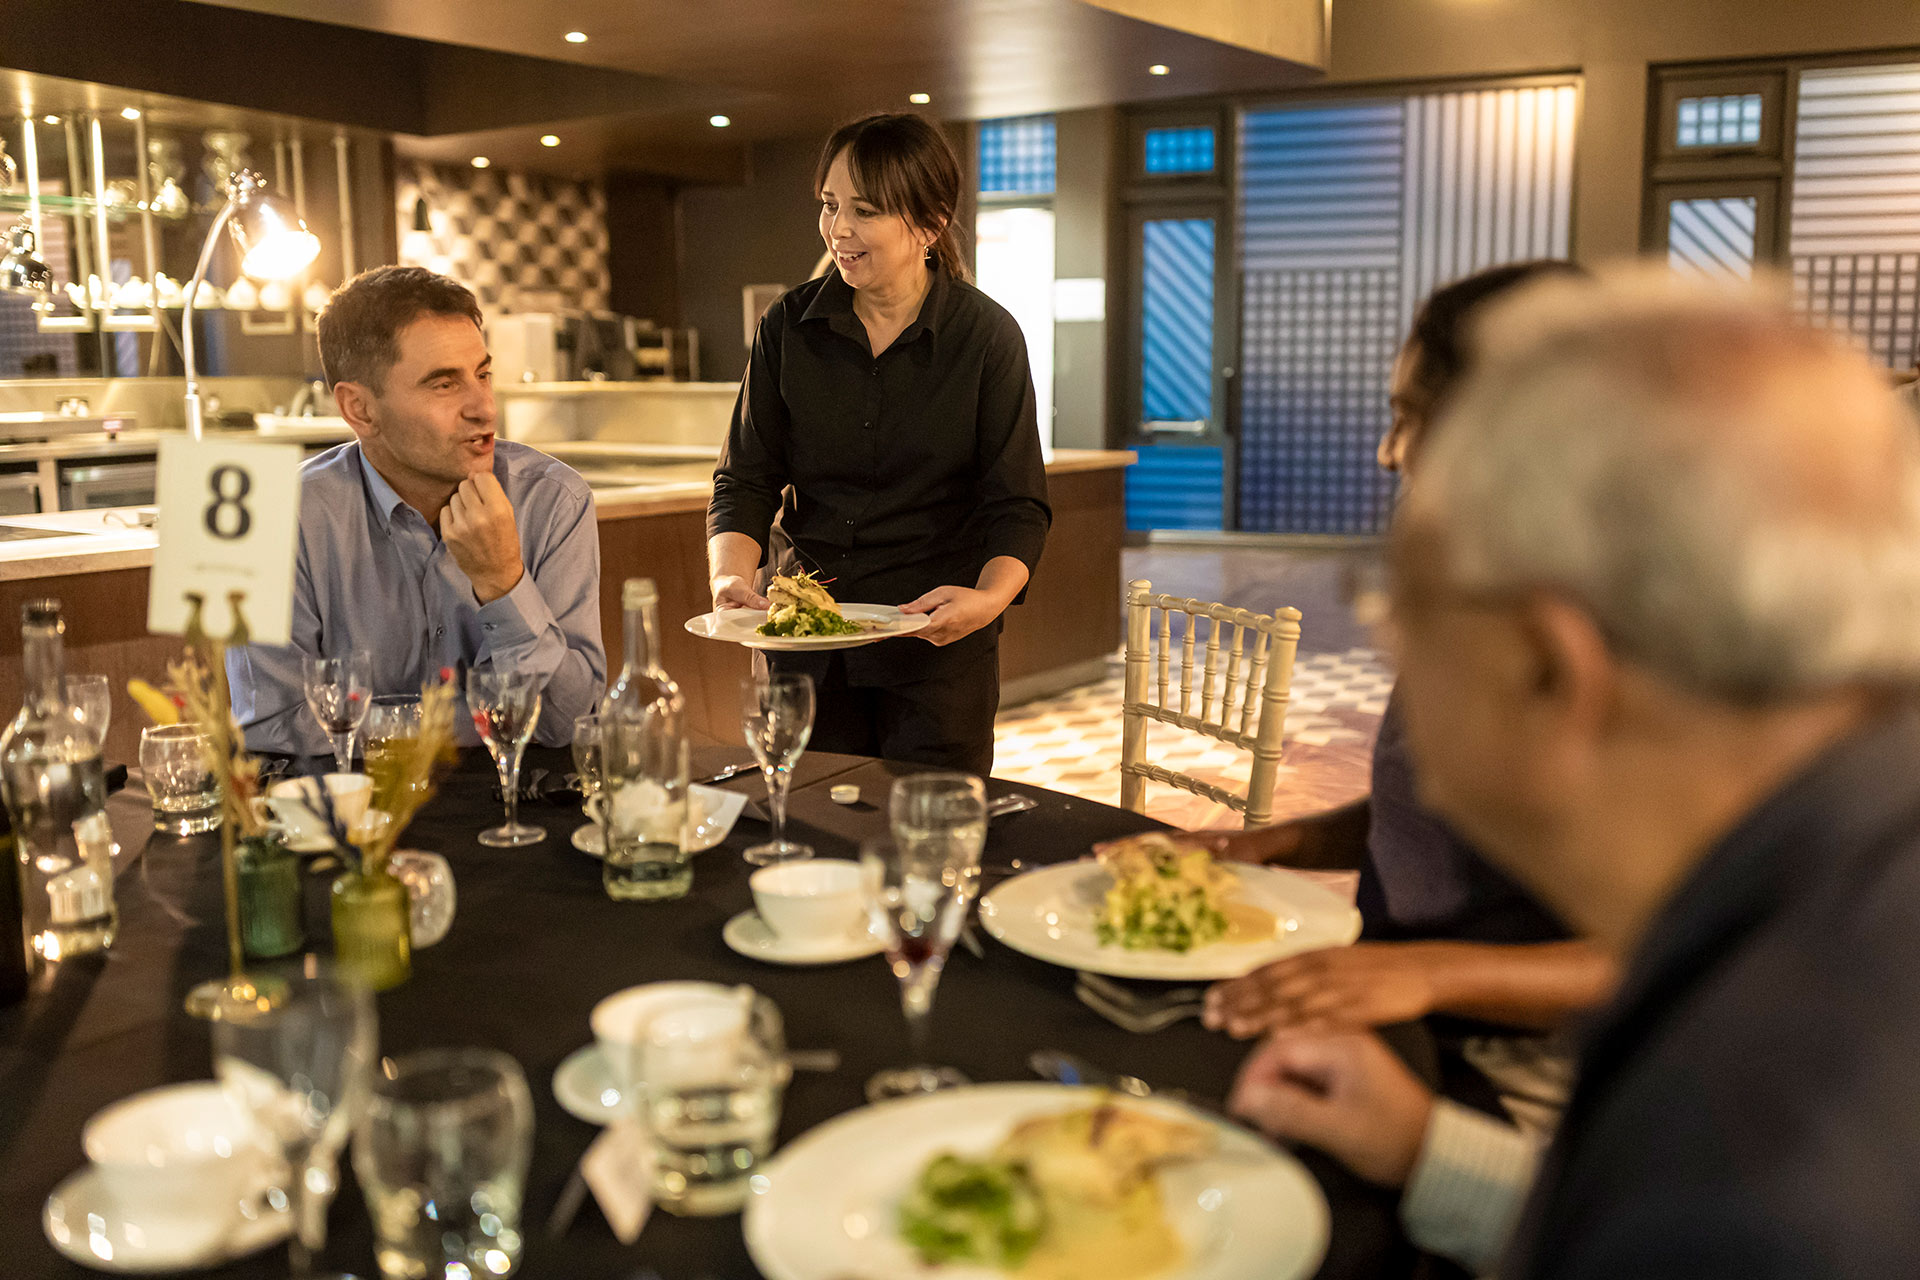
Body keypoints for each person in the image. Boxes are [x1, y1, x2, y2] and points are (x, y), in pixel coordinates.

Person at [1230, 267, 1920, 1276]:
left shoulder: (1755, 1187)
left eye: (1398, 607)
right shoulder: (1848, 858)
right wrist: (1434, 1149)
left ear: (1551, 665)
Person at [1191, 265, 1613, 1069]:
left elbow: (1676, 950)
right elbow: (1424, 809)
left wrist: (1422, 973)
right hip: (1413, 1019)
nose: (1388, 455)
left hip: (1524, 1069)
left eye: (1408, 417)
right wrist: (1269, 846)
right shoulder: (1484, 590)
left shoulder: (1621, 636)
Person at [707, 113, 1051, 777]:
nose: (839, 229)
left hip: (935, 651)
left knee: (926, 844)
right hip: (806, 644)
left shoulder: (986, 338)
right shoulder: (788, 327)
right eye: (830, 206)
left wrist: (988, 598)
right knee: (813, 835)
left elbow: (1017, 503)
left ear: (929, 223)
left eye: (863, 210)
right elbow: (745, 479)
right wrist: (729, 575)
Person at [230, 266, 606, 754]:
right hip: (345, 819)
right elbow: (270, 727)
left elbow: (569, 723)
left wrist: (504, 581)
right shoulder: (271, 517)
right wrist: (472, 722)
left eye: (483, 375)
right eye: (444, 385)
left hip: (517, 816)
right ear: (359, 409)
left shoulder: (556, 500)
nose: (485, 408)